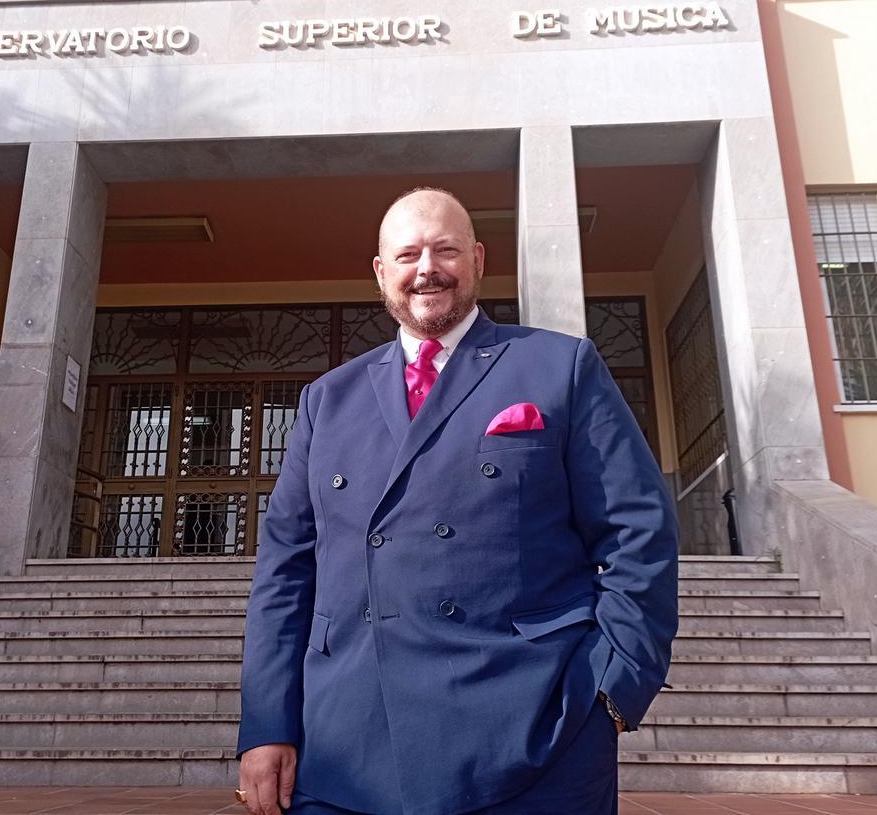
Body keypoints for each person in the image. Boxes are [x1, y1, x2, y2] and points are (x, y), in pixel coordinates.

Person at [235, 187, 679, 815]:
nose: (427, 268)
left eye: (445, 250)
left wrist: (611, 691)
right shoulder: (327, 400)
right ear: (380, 271)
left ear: (476, 258)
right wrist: (267, 724)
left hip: (531, 734)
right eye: (408, 253)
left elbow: (640, 533)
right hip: (345, 747)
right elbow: (284, 571)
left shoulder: (559, 366)